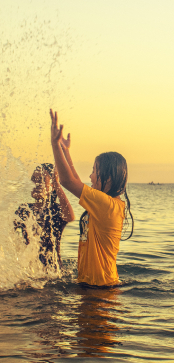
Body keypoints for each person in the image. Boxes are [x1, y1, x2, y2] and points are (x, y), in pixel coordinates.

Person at [50, 109, 133, 286]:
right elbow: (76, 182)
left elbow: (67, 181)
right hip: (94, 287)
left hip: (100, 291)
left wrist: (55, 145)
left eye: (94, 171)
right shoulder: (105, 204)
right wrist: (66, 151)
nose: (90, 176)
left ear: (108, 178)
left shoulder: (107, 206)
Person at [14, 163, 75, 269]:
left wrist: (57, 183)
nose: (36, 183)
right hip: (29, 270)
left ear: (52, 185)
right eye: (34, 179)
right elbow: (9, 233)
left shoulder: (55, 210)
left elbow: (70, 217)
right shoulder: (24, 209)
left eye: (42, 179)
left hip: (53, 271)